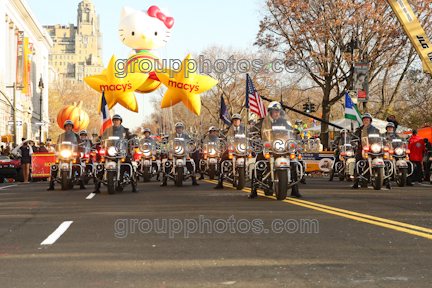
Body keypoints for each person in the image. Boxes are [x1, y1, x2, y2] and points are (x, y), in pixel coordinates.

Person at [250, 102, 302, 198]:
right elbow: (255, 129)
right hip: (268, 146)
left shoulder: (284, 121)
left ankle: (295, 188)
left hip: (282, 146)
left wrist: (295, 131)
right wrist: (254, 130)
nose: (277, 113)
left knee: (293, 162)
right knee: (259, 161)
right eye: (275, 112)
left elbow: (290, 129)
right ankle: (254, 188)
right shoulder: (264, 121)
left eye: (278, 112)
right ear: (270, 112)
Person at [95, 114, 138, 193]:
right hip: (110, 152)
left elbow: (131, 137)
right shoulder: (108, 130)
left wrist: (133, 140)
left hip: (121, 152)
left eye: (117, 120)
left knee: (129, 165)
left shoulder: (125, 130)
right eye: (114, 120)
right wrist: (99, 139)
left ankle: (134, 185)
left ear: (120, 122)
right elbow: (102, 137)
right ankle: (97, 187)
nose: (116, 122)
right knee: (101, 167)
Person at [48, 120, 84, 190]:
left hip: (72, 154)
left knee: (79, 166)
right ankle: (51, 184)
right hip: (63, 154)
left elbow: (80, 145)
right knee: (55, 167)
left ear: (72, 127)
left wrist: (79, 152)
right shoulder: (61, 136)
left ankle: (82, 183)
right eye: (67, 126)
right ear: (65, 127)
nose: (68, 127)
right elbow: (58, 144)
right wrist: (56, 149)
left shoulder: (76, 136)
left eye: (70, 126)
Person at [161, 122, 199, 186]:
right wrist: (167, 147)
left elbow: (189, 142)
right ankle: (164, 181)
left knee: (190, 163)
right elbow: (168, 143)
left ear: (182, 129)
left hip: (183, 153)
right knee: (167, 164)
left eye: (180, 128)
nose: (179, 129)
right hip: (174, 153)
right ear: (176, 129)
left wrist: (191, 145)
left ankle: (194, 179)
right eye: (178, 128)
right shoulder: (171, 136)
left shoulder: (186, 136)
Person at [214, 114, 245, 189]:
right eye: (235, 120)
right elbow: (224, 136)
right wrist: (222, 138)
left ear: (240, 121)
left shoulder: (244, 129)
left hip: (242, 149)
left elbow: (248, 136)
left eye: (237, 120)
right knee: (222, 161)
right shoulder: (228, 130)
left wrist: (252, 137)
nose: (236, 121)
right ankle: (220, 181)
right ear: (232, 122)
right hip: (231, 149)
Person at [352, 113, 380, 189]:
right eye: (364, 120)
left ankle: (386, 179)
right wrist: (354, 140)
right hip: (362, 148)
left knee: (382, 158)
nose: (366, 121)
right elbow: (353, 137)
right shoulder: (359, 130)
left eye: (367, 120)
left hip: (373, 149)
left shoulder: (375, 129)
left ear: (370, 121)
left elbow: (381, 138)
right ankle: (356, 181)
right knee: (358, 161)